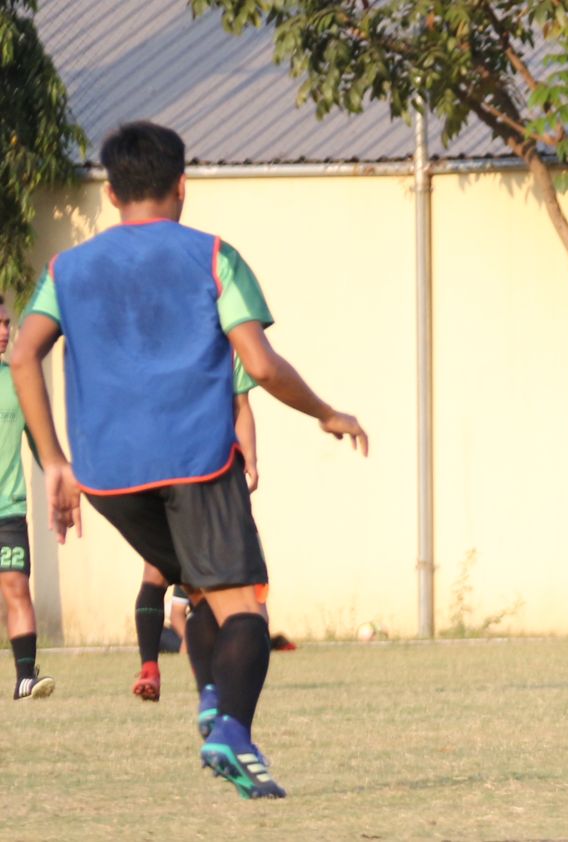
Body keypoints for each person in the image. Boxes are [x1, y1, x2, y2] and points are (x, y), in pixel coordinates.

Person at [11, 121, 369, 799]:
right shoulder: (213, 257)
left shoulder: (66, 269)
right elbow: (259, 364)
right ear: (183, 186)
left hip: (107, 477)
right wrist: (325, 410)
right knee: (246, 611)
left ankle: (209, 700)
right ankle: (231, 728)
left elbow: (23, 353)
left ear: (110, 192)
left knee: (199, 591)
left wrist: (54, 460)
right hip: (196, 463)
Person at [132, 362, 258, 702]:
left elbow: (241, 406)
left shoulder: (235, 346)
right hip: (165, 468)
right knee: (156, 572)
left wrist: (251, 458)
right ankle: (150, 669)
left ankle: (209, 681)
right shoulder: (170, 339)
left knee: (210, 582)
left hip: (213, 473)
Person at [0, 298, 55, 701]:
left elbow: (40, 442)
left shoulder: (18, 380)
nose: (5, 331)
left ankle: (24, 680)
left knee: (17, 587)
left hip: (9, 509)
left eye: (7, 323)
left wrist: (61, 476)